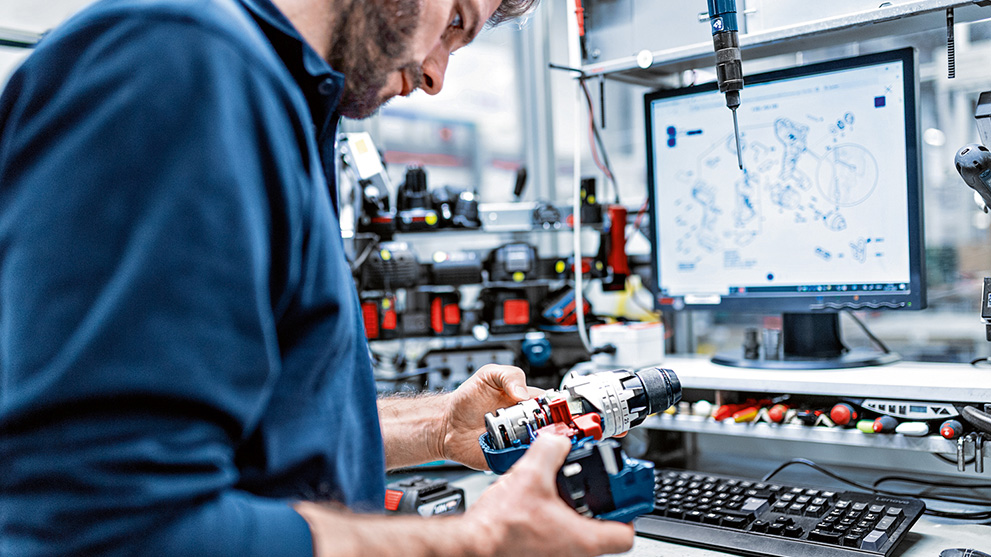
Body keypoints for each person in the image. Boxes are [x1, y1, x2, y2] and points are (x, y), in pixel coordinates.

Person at [0, 0, 636, 555]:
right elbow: (105, 527)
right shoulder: (179, 65)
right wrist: (475, 544)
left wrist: (440, 427)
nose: (437, 74)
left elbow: (264, 430)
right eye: (454, 25)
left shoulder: (290, 102)